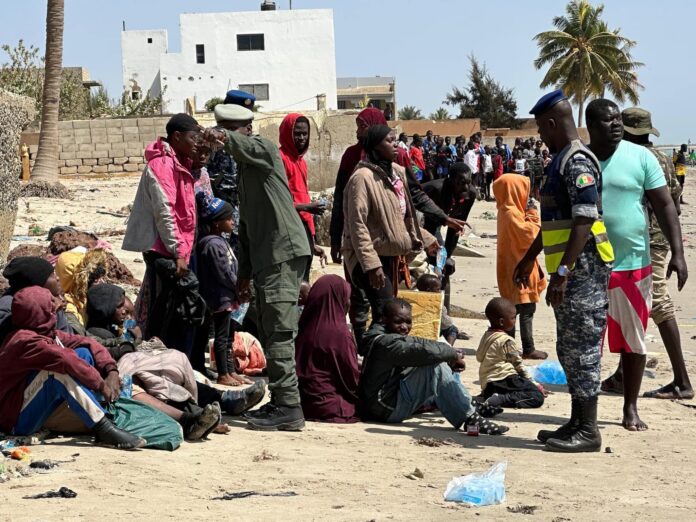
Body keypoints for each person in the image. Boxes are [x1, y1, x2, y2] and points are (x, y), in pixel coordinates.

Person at [202, 100, 311, 431]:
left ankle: (289, 406)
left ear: (245, 130)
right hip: (267, 259)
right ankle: (283, 400)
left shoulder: (263, 150)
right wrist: (245, 277)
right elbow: (247, 230)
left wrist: (221, 136)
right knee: (268, 324)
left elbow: (246, 144)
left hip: (282, 253)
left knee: (278, 331)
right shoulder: (246, 175)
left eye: (231, 133)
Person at [516, 90, 614, 452]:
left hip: (582, 272)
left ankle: (588, 430)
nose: (540, 134)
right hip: (572, 272)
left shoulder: (576, 163)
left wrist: (562, 272)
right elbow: (556, 222)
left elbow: (584, 220)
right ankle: (576, 421)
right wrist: (529, 258)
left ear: (553, 124)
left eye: (542, 127)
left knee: (583, 348)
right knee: (569, 347)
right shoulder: (560, 160)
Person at [586, 100, 688, 431]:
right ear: (592, 125)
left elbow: (665, 204)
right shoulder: (580, 159)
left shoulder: (643, 157)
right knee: (586, 340)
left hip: (634, 261)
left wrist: (679, 252)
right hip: (588, 264)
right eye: (608, 119)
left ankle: (630, 407)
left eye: (618, 119)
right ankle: (584, 411)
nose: (615, 124)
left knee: (634, 337)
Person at [84, 284, 264, 428]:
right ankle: (198, 415)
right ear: (104, 309)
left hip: (131, 374)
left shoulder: (114, 329)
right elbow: (114, 352)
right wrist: (136, 340)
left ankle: (224, 401)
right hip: (123, 380)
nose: (124, 311)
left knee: (185, 374)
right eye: (118, 306)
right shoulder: (97, 333)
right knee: (163, 381)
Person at [609, 108, 692, 400]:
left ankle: (682, 381)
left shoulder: (637, 158)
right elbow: (678, 203)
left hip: (649, 242)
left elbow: (664, 204)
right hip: (654, 241)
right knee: (630, 304)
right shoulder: (662, 158)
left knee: (657, 303)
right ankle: (622, 375)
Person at [0, 286, 145, 449]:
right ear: (40, 311)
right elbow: (64, 359)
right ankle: (102, 428)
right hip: (15, 420)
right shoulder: (24, 341)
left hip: (31, 406)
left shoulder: (44, 332)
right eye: (51, 302)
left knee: (83, 352)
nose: (58, 304)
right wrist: (101, 384)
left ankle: (96, 407)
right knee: (56, 372)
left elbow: (88, 342)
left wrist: (111, 371)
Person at [342, 125, 435, 353]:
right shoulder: (362, 178)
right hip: (371, 259)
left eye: (395, 140)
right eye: (389, 141)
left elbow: (403, 217)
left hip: (393, 257)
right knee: (386, 311)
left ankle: (373, 355)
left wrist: (426, 238)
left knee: (386, 312)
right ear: (374, 146)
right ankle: (373, 358)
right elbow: (357, 225)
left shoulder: (397, 173)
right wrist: (371, 265)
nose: (395, 145)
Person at [329, 109, 464, 265]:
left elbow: (414, 194)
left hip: (391, 240)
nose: (357, 132)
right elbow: (340, 199)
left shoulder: (397, 156)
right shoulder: (351, 156)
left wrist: (443, 218)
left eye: (362, 126)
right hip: (359, 240)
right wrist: (335, 239)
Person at [359, 298, 509, 435]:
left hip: (386, 401)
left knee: (436, 359)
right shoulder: (387, 343)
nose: (404, 327)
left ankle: (467, 403)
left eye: (408, 322)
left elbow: (419, 342)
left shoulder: (383, 335)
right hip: (386, 409)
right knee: (435, 366)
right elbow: (424, 351)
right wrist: (452, 355)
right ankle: (469, 417)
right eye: (398, 322)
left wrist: (450, 352)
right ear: (384, 319)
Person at [122, 113, 200, 348]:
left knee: (170, 307)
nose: (196, 143)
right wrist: (177, 252)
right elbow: (165, 211)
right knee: (162, 309)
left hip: (175, 248)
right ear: (177, 137)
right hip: (163, 248)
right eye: (192, 137)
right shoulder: (162, 164)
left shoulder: (179, 161)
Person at [197, 197, 251, 386]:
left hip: (228, 296)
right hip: (220, 297)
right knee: (221, 337)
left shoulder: (219, 241)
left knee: (228, 337)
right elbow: (224, 273)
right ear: (217, 223)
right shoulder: (212, 244)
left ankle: (229, 370)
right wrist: (239, 289)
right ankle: (222, 373)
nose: (232, 222)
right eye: (229, 219)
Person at [493, 174, 548, 360]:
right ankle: (527, 347)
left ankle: (511, 347)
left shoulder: (505, 209)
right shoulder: (511, 213)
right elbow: (532, 234)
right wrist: (533, 212)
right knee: (525, 309)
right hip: (520, 267)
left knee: (514, 307)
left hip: (510, 265)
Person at [295, 275, 359, 423]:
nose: (348, 302)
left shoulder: (303, 325)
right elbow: (350, 378)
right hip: (329, 405)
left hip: (303, 403)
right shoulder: (340, 333)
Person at [279, 113, 327, 281]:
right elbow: (278, 202)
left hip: (304, 228)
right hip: (290, 229)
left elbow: (302, 196)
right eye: (297, 133)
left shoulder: (302, 162)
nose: (301, 138)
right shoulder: (280, 160)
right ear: (287, 133)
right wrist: (307, 207)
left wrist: (312, 242)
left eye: (304, 134)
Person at [477, 298, 545, 409]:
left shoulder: (487, 336)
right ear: (502, 322)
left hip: (488, 385)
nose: (514, 320)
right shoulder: (506, 341)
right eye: (513, 318)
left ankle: (494, 396)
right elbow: (518, 366)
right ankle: (501, 399)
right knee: (537, 397)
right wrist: (535, 384)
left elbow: (479, 357)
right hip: (504, 380)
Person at [0, 257, 71, 344]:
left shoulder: (51, 300)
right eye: (52, 275)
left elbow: (67, 337)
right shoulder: (9, 306)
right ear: (37, 283)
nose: (57, 278)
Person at [423, 163, 476, 258]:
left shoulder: (470, 194)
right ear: (451, 181)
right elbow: (429, 224)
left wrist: (448, 256)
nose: (466, 188)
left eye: (469, 182)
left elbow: (456, 227)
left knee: (445, 260)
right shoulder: (436, 190)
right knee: (436, 254)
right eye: (462, 183)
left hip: (437, 221)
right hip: (421, 220)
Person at [415, 274, 461, 345]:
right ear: (429, 290)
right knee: (453, 329)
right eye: (438, 289)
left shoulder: (415, 299)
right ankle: (448, 347)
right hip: (432, 331)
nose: (440, 291)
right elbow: (446, 323)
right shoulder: (436, 304)